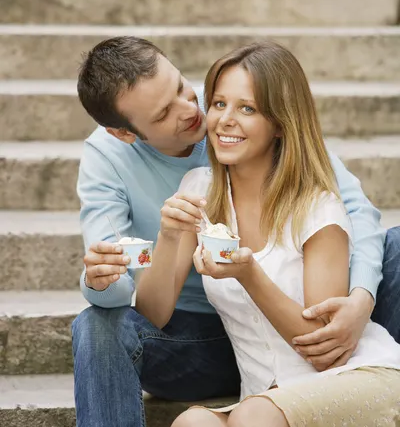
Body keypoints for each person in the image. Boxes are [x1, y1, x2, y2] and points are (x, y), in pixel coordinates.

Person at [72, 36, 399, 427]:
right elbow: (139, 300)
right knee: (187, 417)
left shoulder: (309, 196)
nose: (195, 111)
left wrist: (360, 300)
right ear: (125, 133)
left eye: (184, 89)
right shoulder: (190, 185)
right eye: (219, 104)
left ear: (279, 123)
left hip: (321, 360)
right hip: (208, 339)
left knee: (394, 246)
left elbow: (356, 209)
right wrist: (160, 242)